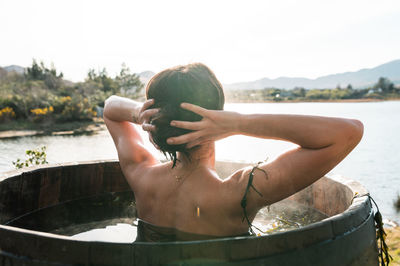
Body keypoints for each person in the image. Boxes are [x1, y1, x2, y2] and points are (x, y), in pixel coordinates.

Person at [103, 63, 363, 242]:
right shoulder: (238, 193)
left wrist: (140, 113)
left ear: (154, 124)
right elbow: (349, 132)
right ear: (219, 113)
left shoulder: (141, 175)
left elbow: (110, 108)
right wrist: (239, 123)